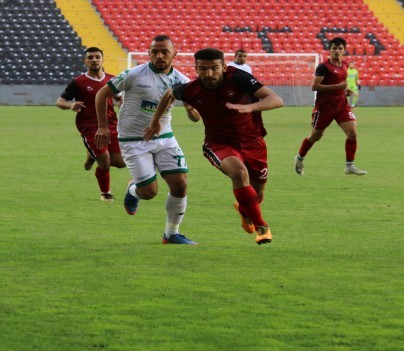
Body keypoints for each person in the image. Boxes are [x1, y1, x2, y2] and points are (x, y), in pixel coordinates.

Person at [147, 48, 284, 245]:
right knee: (239, 173)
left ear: (224, 67)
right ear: (196, 69)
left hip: (253, 142)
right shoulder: (190, 89)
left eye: (214, 68)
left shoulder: (238, 78)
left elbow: (276, 99)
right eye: (203, 69)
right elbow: (169, 95)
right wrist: (155, 122)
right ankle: (262, 227)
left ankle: (245, 210)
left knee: (257, 193)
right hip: (218, 143)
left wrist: (250, 107)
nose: (209, 73)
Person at [94, 35, 196, 245]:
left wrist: (191, 109)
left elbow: (194, 105)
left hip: (165, 137)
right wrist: (103, 126)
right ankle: (133, 191)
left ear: (174, 54)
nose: (159, 56)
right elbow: (102, 93)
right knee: (149, 192)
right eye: (154, 52)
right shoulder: (134, 74)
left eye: (164, 52)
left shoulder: (182, 80)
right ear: (149, 53)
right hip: (133, 140)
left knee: (180, 184)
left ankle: (171, 234)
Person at [56, 47, 126, 201]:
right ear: (85, 61)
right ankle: (105, 193)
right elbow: (59, 101)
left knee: (121, 163)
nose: (94, 60)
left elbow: (119, 97)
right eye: (90, 57)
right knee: (105, 161)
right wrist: (69, 105)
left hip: (111, 124)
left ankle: (92, 157)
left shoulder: (112, 79)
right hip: (89, 126)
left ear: (102, 59)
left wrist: (122, 105)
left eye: (97, 57)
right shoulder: (78, 82)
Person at [294, 37, 367, 176]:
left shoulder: (345, 65)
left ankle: (349, 165)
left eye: (340, 48)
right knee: (315, 136)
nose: (337, 51)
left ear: (344, 50)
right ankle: (299, 158)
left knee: (352, 133)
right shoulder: (323, 67)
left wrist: (344, 91)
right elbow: (314, 86)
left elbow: (339, 85)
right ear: (330, 50)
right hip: (324, 108)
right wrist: (339, 86)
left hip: (341, 106)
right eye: (334, 48)